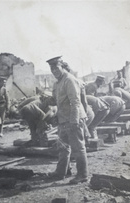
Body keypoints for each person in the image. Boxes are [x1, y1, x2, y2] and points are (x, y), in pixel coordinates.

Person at [46, 56, 88, 184]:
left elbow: (75, 102)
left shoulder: (69, 80)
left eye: (56, 68)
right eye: (52, 69)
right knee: (63, 147)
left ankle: (82, 175)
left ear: (62, 67)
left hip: (73, 119)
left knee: (78, 148)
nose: (54, 71)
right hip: (63, 120)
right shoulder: (58, 82)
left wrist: (74, 121)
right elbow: (59, 101)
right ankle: (62, 172)